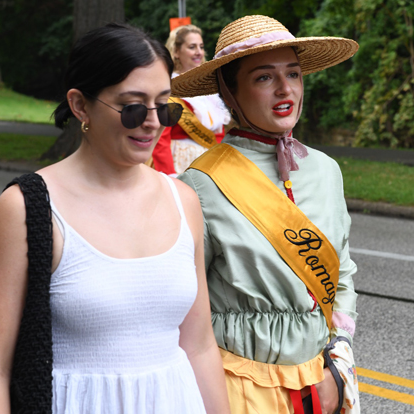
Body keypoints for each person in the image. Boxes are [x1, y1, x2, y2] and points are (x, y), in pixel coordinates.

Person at [0, 23, 230, 414]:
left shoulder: (184, 201)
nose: (153, 122)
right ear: (80, 105)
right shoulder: (26, 207)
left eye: (164, 105)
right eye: (133, 106)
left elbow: (199, 345)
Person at [173, 15, 360, 414]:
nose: (285, 89)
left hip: (318, 382)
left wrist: (337, 361)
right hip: (237, 386)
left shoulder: (326, 170)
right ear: (230, 90)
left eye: (293, 73)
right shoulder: (201, 183)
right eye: (263, 78)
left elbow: (341, 269)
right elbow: (184, 302)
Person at [152, 24, 230, 176]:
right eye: (192, 47)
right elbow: (161, 138)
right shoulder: (168, 86)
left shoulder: (209, 90)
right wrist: (168, 174)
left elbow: (217, 133)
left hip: (210, 163)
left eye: (201, 47)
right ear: (176, 52)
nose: (199, 52)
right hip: (180, 162)